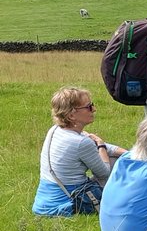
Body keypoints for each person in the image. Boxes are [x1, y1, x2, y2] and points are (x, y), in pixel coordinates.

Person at [33, 86, 127, 216]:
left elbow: (99, 144)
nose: (94, 109)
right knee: (120, 165)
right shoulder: (80, 142)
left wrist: (131, 154)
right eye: (88, 107)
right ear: (71, 115)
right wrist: (101, 147)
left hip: (46, 201)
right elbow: (104, 174)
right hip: (70, 201)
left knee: (118, 158)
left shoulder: (56, 130)